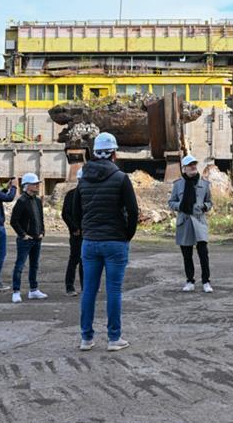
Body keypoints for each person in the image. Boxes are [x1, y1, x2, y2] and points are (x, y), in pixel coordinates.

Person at [72, 132, 139, 352]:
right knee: (114, 291)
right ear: (114, 153)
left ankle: (86, 338)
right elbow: (133, 211)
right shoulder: (120, 178)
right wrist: (126, 235)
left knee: (89, 291)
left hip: (90, 242)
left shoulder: (83, 178)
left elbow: (74, 210)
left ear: (94, 152)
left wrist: (85, 231)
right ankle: (113, 338)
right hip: (115, 242)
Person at [168, 155, 214, 293]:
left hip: (199, 221)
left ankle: (206, 281)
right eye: (190, 165)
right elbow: (171, 202)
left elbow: (209, 202)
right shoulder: (178, 184)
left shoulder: (204, 184)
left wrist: (204, 206)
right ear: (184, 168)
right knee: (187, 254)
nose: (193, 167)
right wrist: (180, 206)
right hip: (185, 221)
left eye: (194, 164)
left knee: (203, 253)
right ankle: (190, 280)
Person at [9, 173, 48, 303]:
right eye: (35, 184)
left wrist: (42, 231)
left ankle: (33, 290)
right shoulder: (21, 201)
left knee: (34, 265)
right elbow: (14, 221)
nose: (37, 185)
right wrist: (23, 235)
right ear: (27, 186)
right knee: (20, 266)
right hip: (25, 240)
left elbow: (40, 218)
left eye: (37, 183)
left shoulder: (37, 200)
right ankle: (16, 291)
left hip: (37, 239)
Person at [61, 168, 84, 296]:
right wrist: (74, 228)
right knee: (74, 259)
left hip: (88, 233)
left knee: (85, 261)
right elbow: (65, 214)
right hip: (76, 234)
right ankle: (69, 287)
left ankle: (85, 286)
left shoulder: (89, 194)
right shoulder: (71, 195)